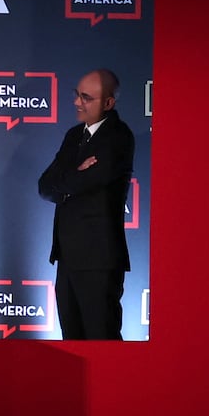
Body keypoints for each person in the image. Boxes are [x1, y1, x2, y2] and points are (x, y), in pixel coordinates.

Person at [37, 68, 135, 340]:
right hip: (66, 257)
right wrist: (75, 174)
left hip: (99, 260)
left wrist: (69, 180)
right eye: (76, 95)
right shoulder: (73, 136)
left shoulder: (119, 137)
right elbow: (45, 186)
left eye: (86, 97)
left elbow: (91, 180)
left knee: (101, 340)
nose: (77, 102)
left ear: (108, 103)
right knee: (72, 339)